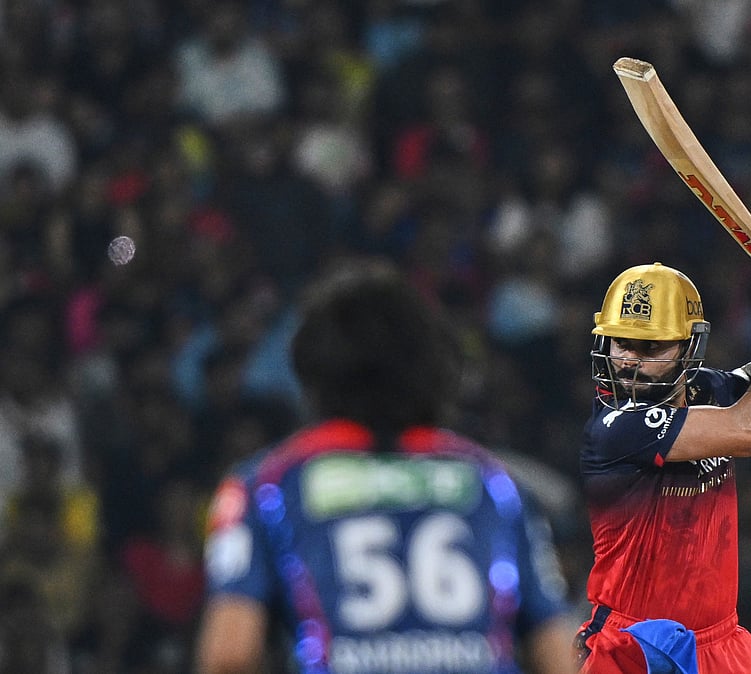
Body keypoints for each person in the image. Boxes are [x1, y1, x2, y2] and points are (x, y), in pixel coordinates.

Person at [195, 257, 578, 674]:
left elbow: (229, 657)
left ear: (313, 370)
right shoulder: (492, 483)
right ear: (431, 367)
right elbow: (558, 655)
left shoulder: (267, 484)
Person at [575, 250, 751, 673]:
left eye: (651, 347)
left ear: (689, 350)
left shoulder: (702, 389)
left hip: (720, 642)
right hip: (637, 649)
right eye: (621, 342)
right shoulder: (617, 427)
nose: (629, 361)